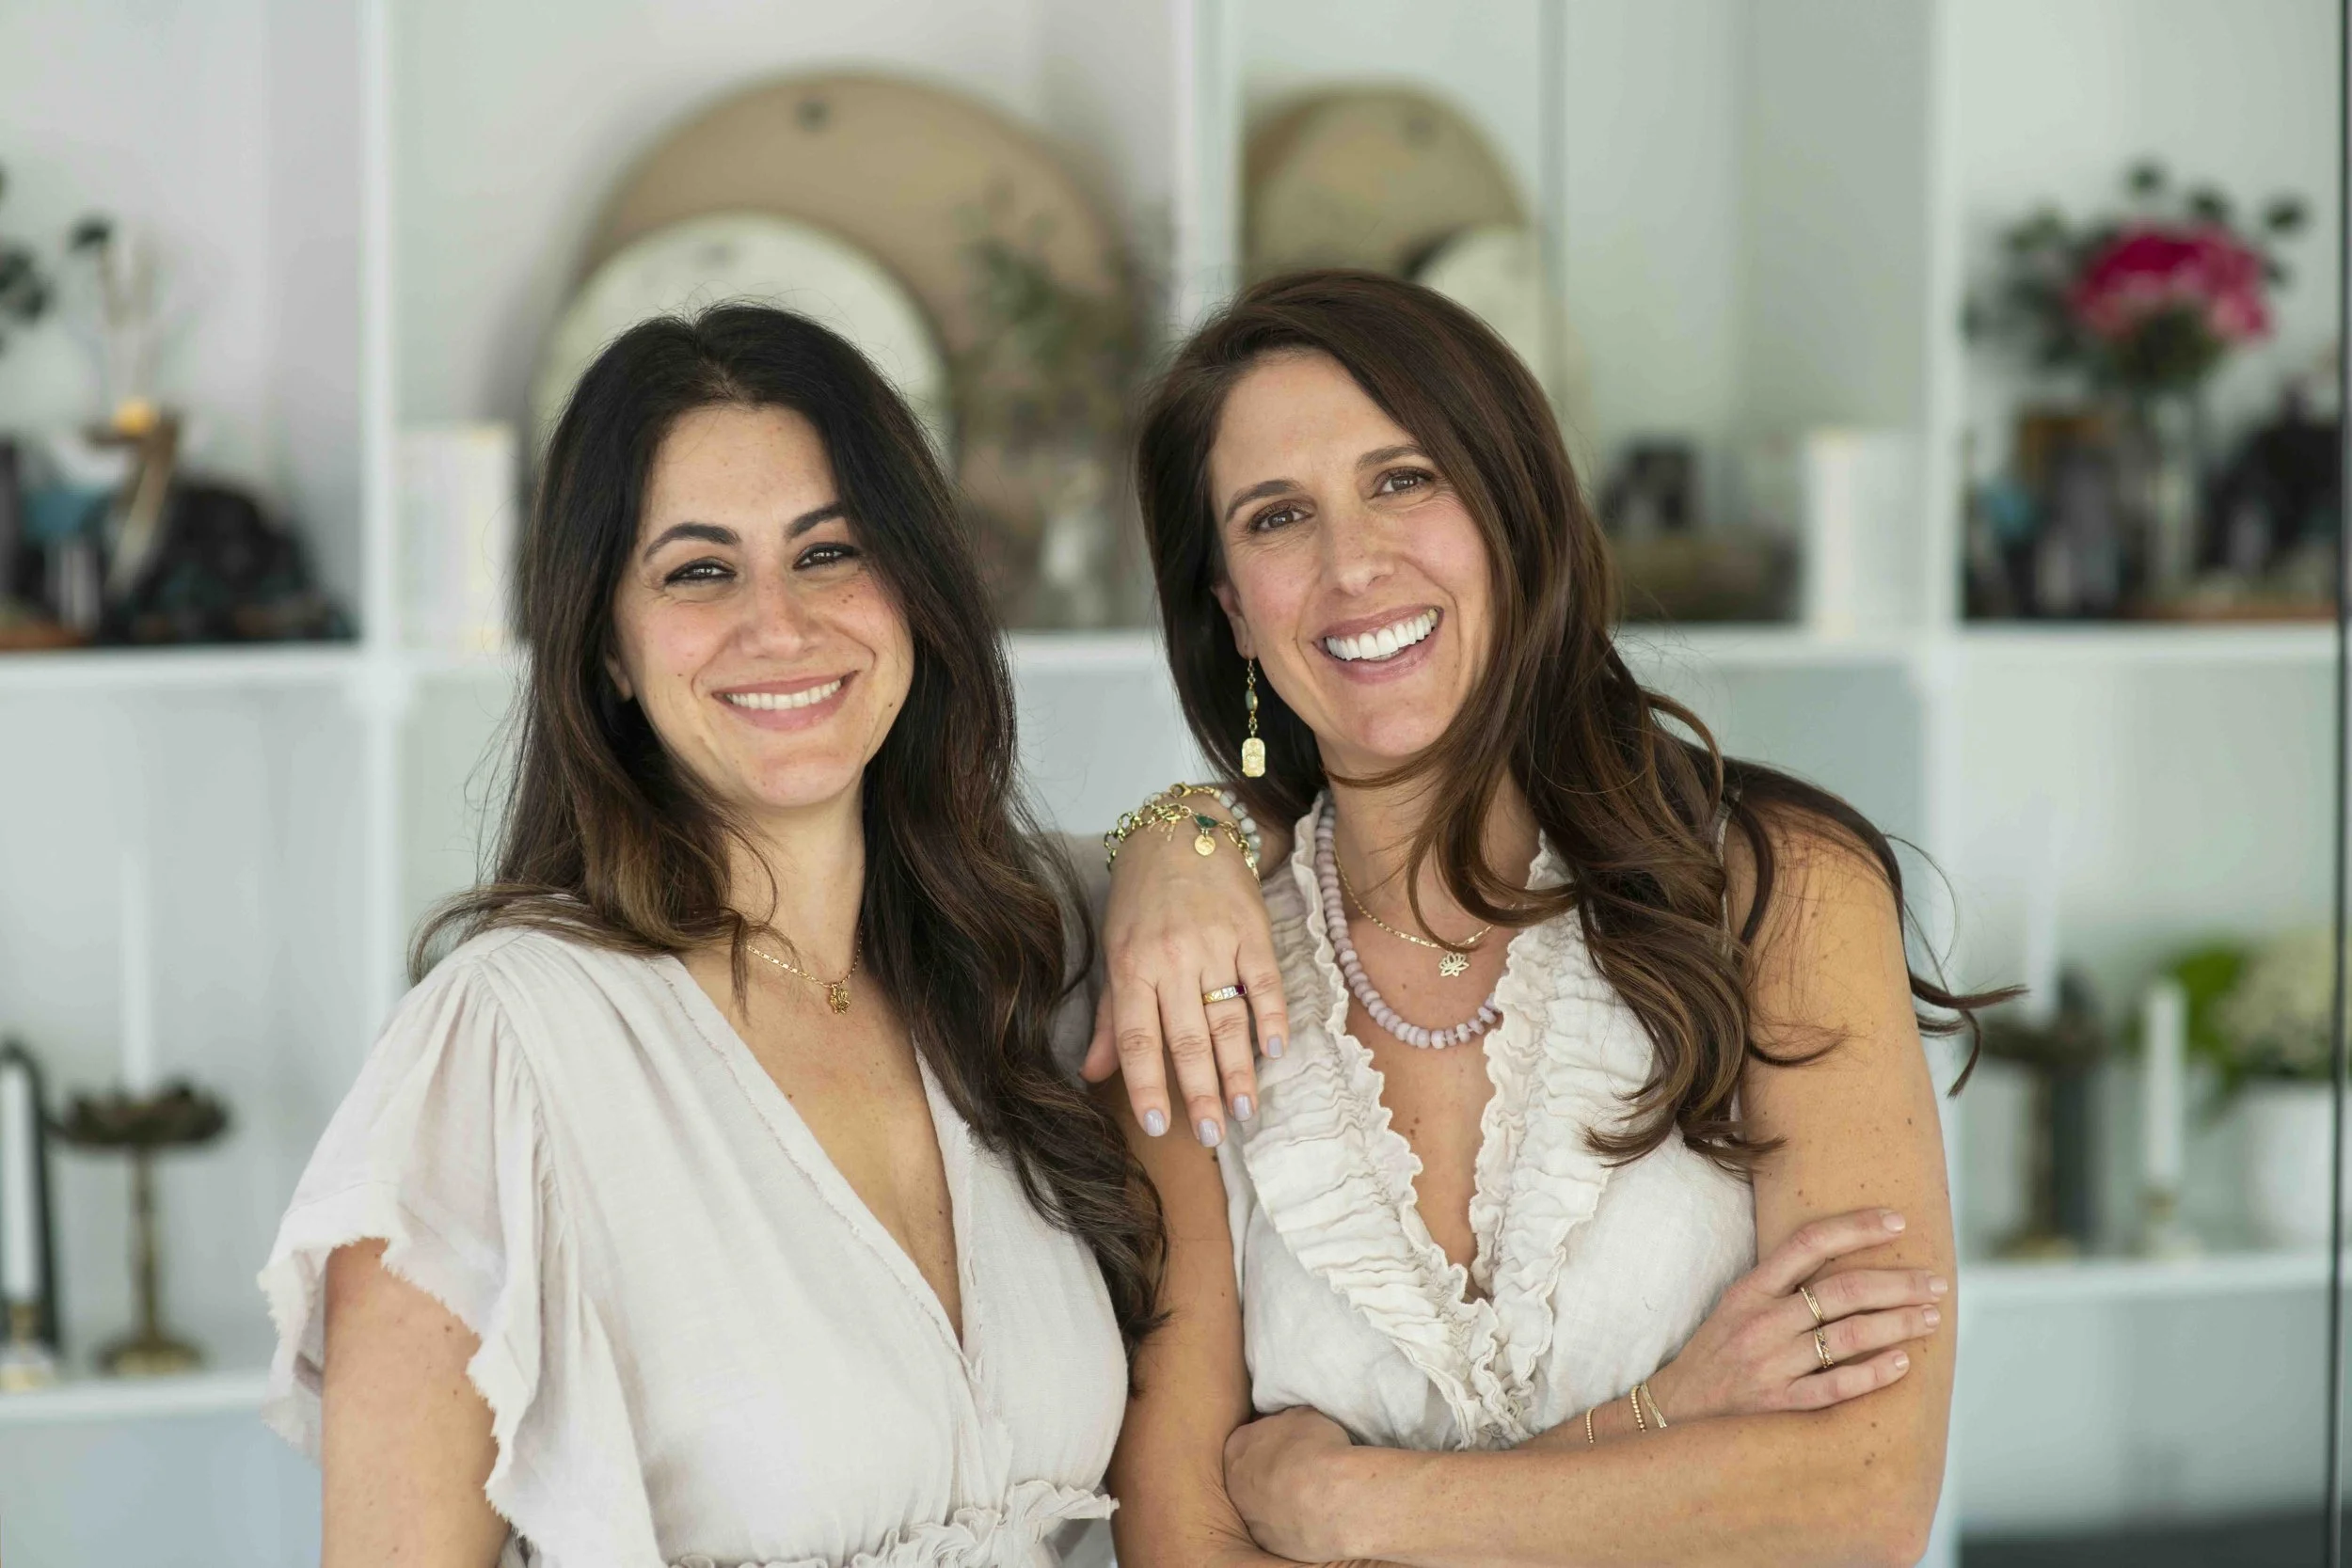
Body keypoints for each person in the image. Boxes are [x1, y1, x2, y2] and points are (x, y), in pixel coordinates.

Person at [1091, 270, 1997, 1567]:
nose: (1352, 564)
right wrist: (1668, 1423)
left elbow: (1858, 1505)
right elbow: (1185, 1549)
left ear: (1515, 513)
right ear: (1232, 607)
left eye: (1403, 479)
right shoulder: (1194, 979)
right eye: (1277, 516)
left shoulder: (1774, 894)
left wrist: (1357, 1508)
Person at [257, 305, 1161, 1568]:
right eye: (698, 569)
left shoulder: (1027, 946)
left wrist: (1198, 840)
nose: (779, 624)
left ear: (918, 589)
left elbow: (1286, 833)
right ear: (609, 651)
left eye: (831, 551)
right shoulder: (505, 1049)